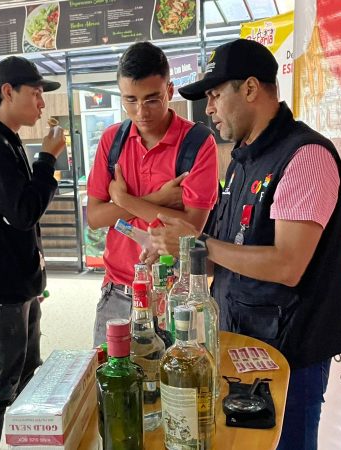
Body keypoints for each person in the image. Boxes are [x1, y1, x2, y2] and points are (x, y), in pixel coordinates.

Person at [149, 38, 341, 450]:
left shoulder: (306, 155)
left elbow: (287, 264)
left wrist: (201, 244)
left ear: (249, 89)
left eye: (213, 95)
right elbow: (229, 254)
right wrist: (176, 249)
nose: (207, 108)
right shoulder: (244, 158)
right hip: (243, 341)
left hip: (291, 351)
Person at [0, 55, 66, 438]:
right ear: (7, 91)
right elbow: (23, 212)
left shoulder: (4, 141)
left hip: (17, 284)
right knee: (0, 386)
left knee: (25, 376)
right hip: (2, 289)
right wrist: (47, 160)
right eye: (36, 93)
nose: (42, 103)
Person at [86, 41, 219, 346]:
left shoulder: (198, 143)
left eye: (152, 100)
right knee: (109, 384)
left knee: (177, 384)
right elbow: (94, 217)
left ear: (170, 91)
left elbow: (190, 230)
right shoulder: (112, 141)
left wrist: (124, 200)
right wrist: (159, 200)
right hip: (118, 291)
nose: (140, 112)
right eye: (129, 100)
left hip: (175, 296)